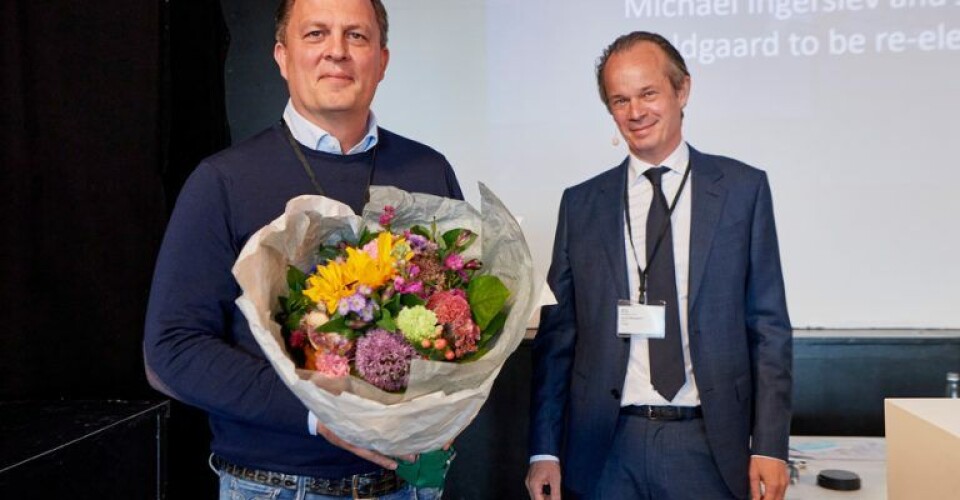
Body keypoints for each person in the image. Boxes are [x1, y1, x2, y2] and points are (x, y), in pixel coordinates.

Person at [143, 0, 461, 498]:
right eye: (315, 34)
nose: (337, 51)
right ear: (282, 56)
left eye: (356, 36)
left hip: (407, 485)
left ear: (382, 59)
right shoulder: (222, 181)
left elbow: (459, 314)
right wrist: (317, 416)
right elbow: (172, 349)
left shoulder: (429, 172)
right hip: (276, 487)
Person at [525, 31, 792, 500]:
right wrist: (543, 450)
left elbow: (768, 328)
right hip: (605, 448)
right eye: (620, 99)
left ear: (682, 90)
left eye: (648, 93)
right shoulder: (581, 204)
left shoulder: (742, 191)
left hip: (710, 445)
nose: (636, 112)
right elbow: (557, 339)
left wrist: (770, 445)